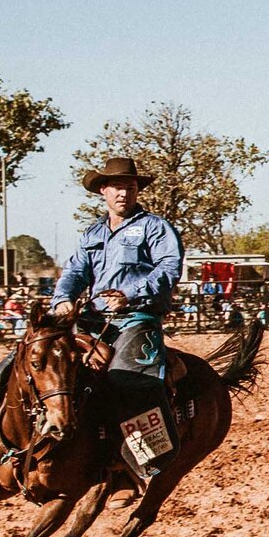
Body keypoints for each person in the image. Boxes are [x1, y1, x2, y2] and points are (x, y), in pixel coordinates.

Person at [50, 156, 186, 477]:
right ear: (103, 191)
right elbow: (75, 271)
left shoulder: (156, 228)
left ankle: (142, 460)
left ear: (137, 190)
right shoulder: (92, 234)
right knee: (44, 362)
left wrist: (131, 293)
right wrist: (63, 298)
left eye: (130, 187)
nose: (123, 193)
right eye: (117, 187)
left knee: (127, 379)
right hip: (95, 320)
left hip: (138, 318)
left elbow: (169, 268)